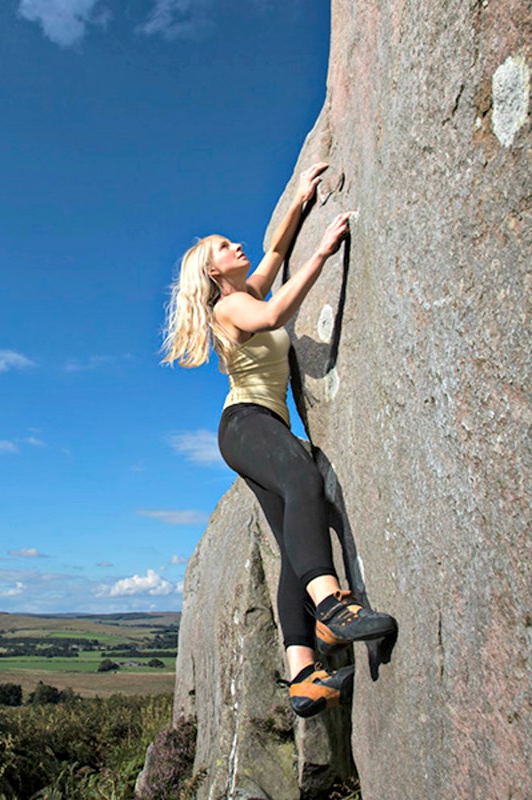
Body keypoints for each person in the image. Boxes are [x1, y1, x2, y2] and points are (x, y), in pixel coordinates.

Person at [162, 162, 397, 719]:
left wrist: (300, 200)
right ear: (213, 273)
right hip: (245, 423)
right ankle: (332, 607)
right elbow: (271, 312)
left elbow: (274, 250)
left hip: (255, 427)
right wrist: (323, 254)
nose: (236, 244)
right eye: (225, 246)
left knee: (296, 539)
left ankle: (303, 676)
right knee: (302, 478)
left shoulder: (246, 289)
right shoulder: (230, 307)